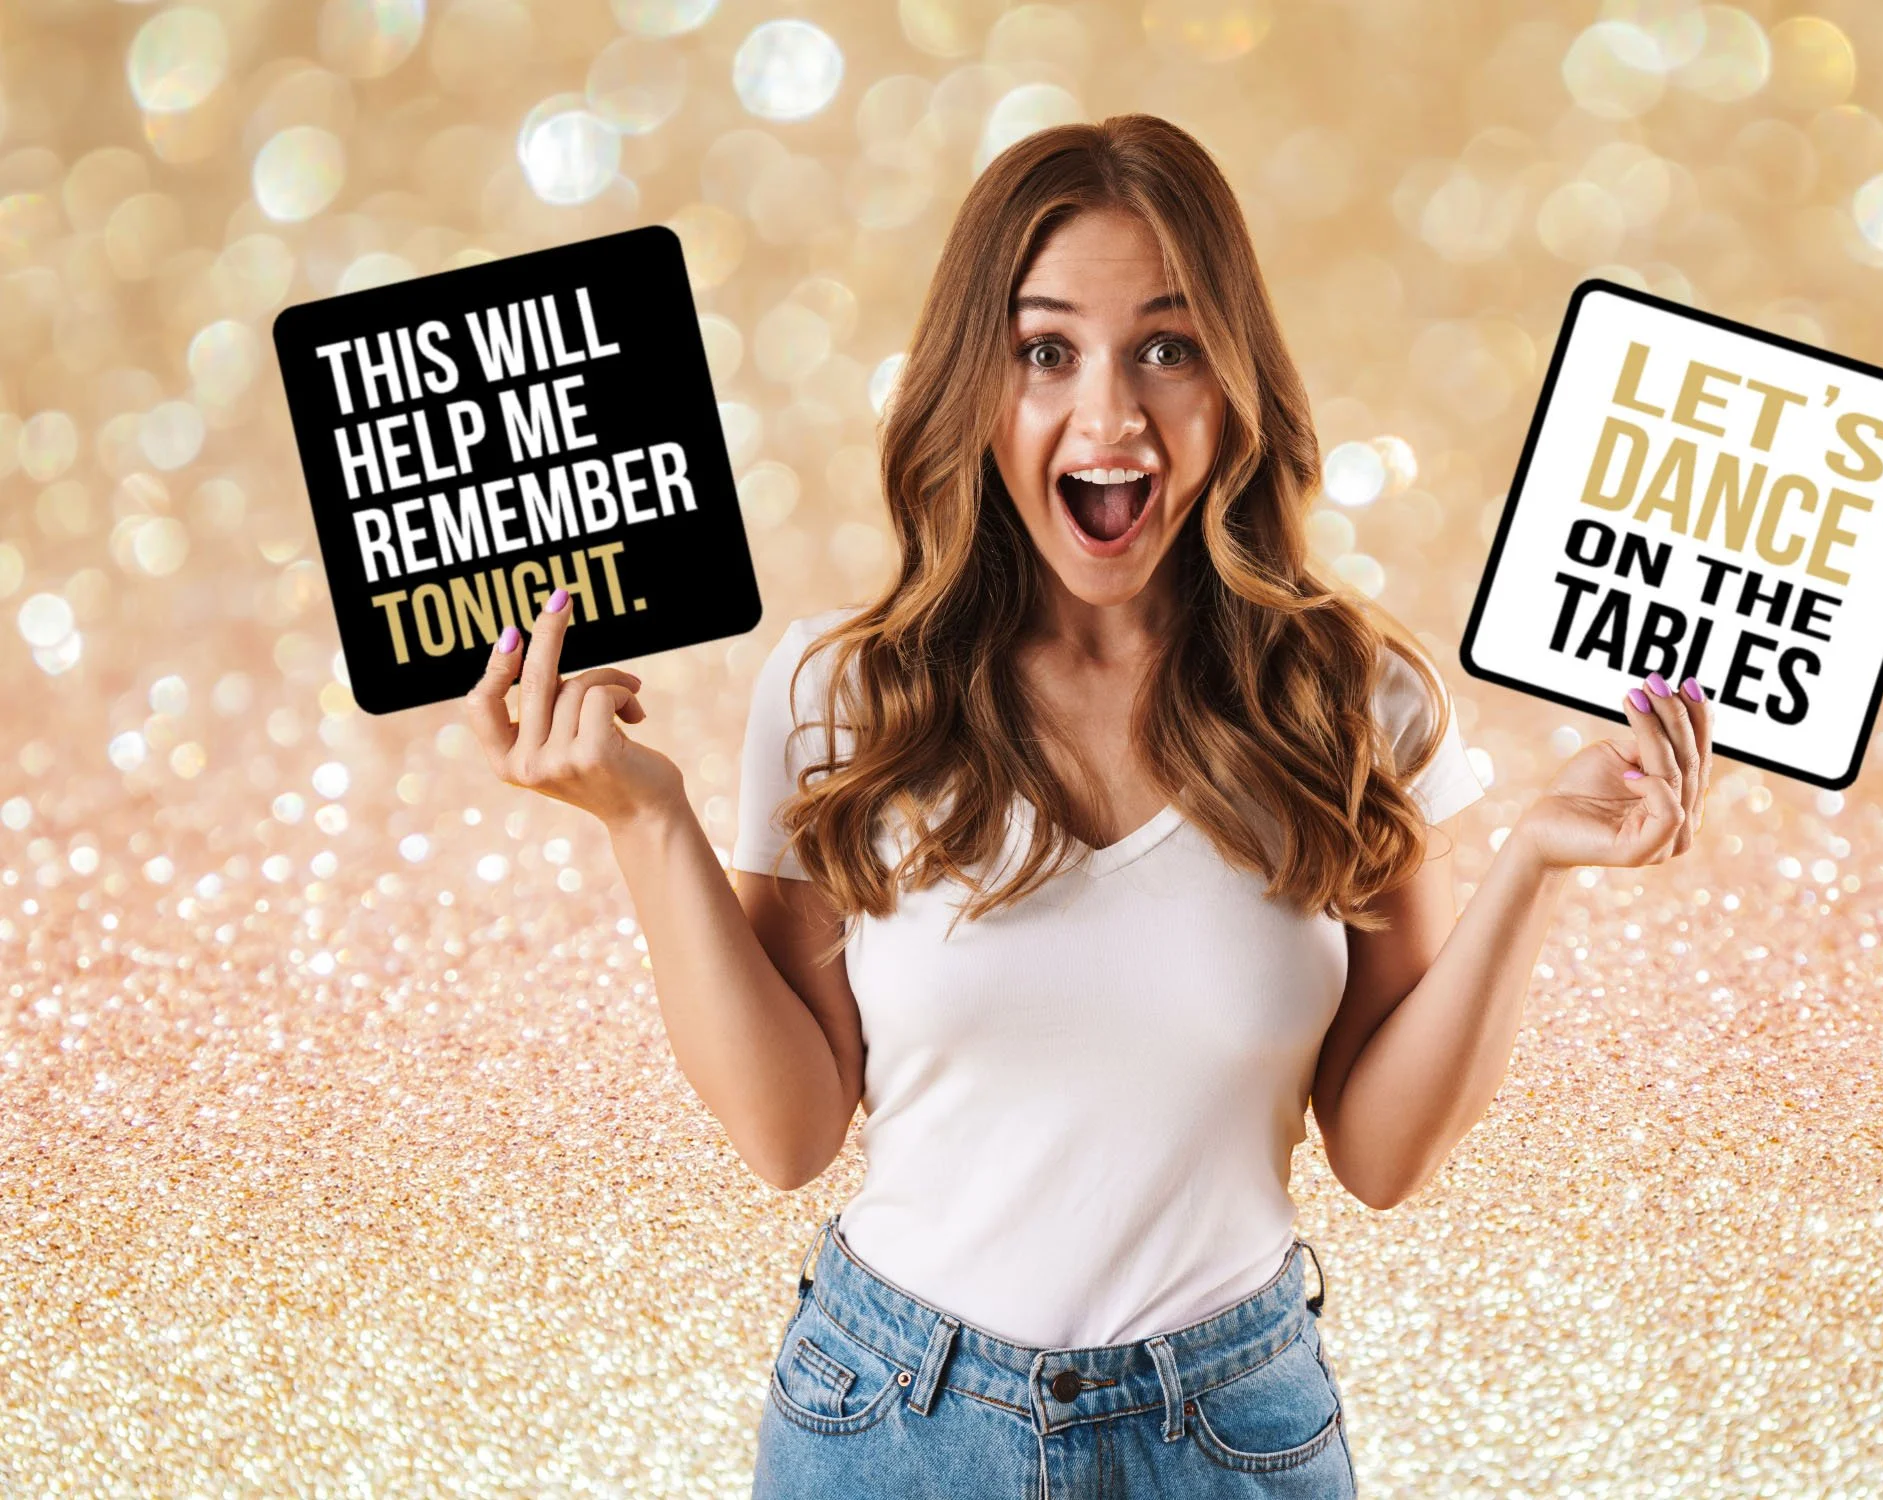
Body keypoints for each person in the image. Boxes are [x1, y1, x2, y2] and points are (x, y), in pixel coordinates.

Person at [466, 114, 1712, 1499]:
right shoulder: (842, 691)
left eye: (1166, 349)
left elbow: (1379, 1150)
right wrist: (645, 820)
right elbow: (790, 1128)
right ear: (973, 385)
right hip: (887, 1421)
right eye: (1046, 351)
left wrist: (1536, 865)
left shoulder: (1352, 700)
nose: (1110, 416)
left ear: (1235, 386)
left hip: (1232, 1432)